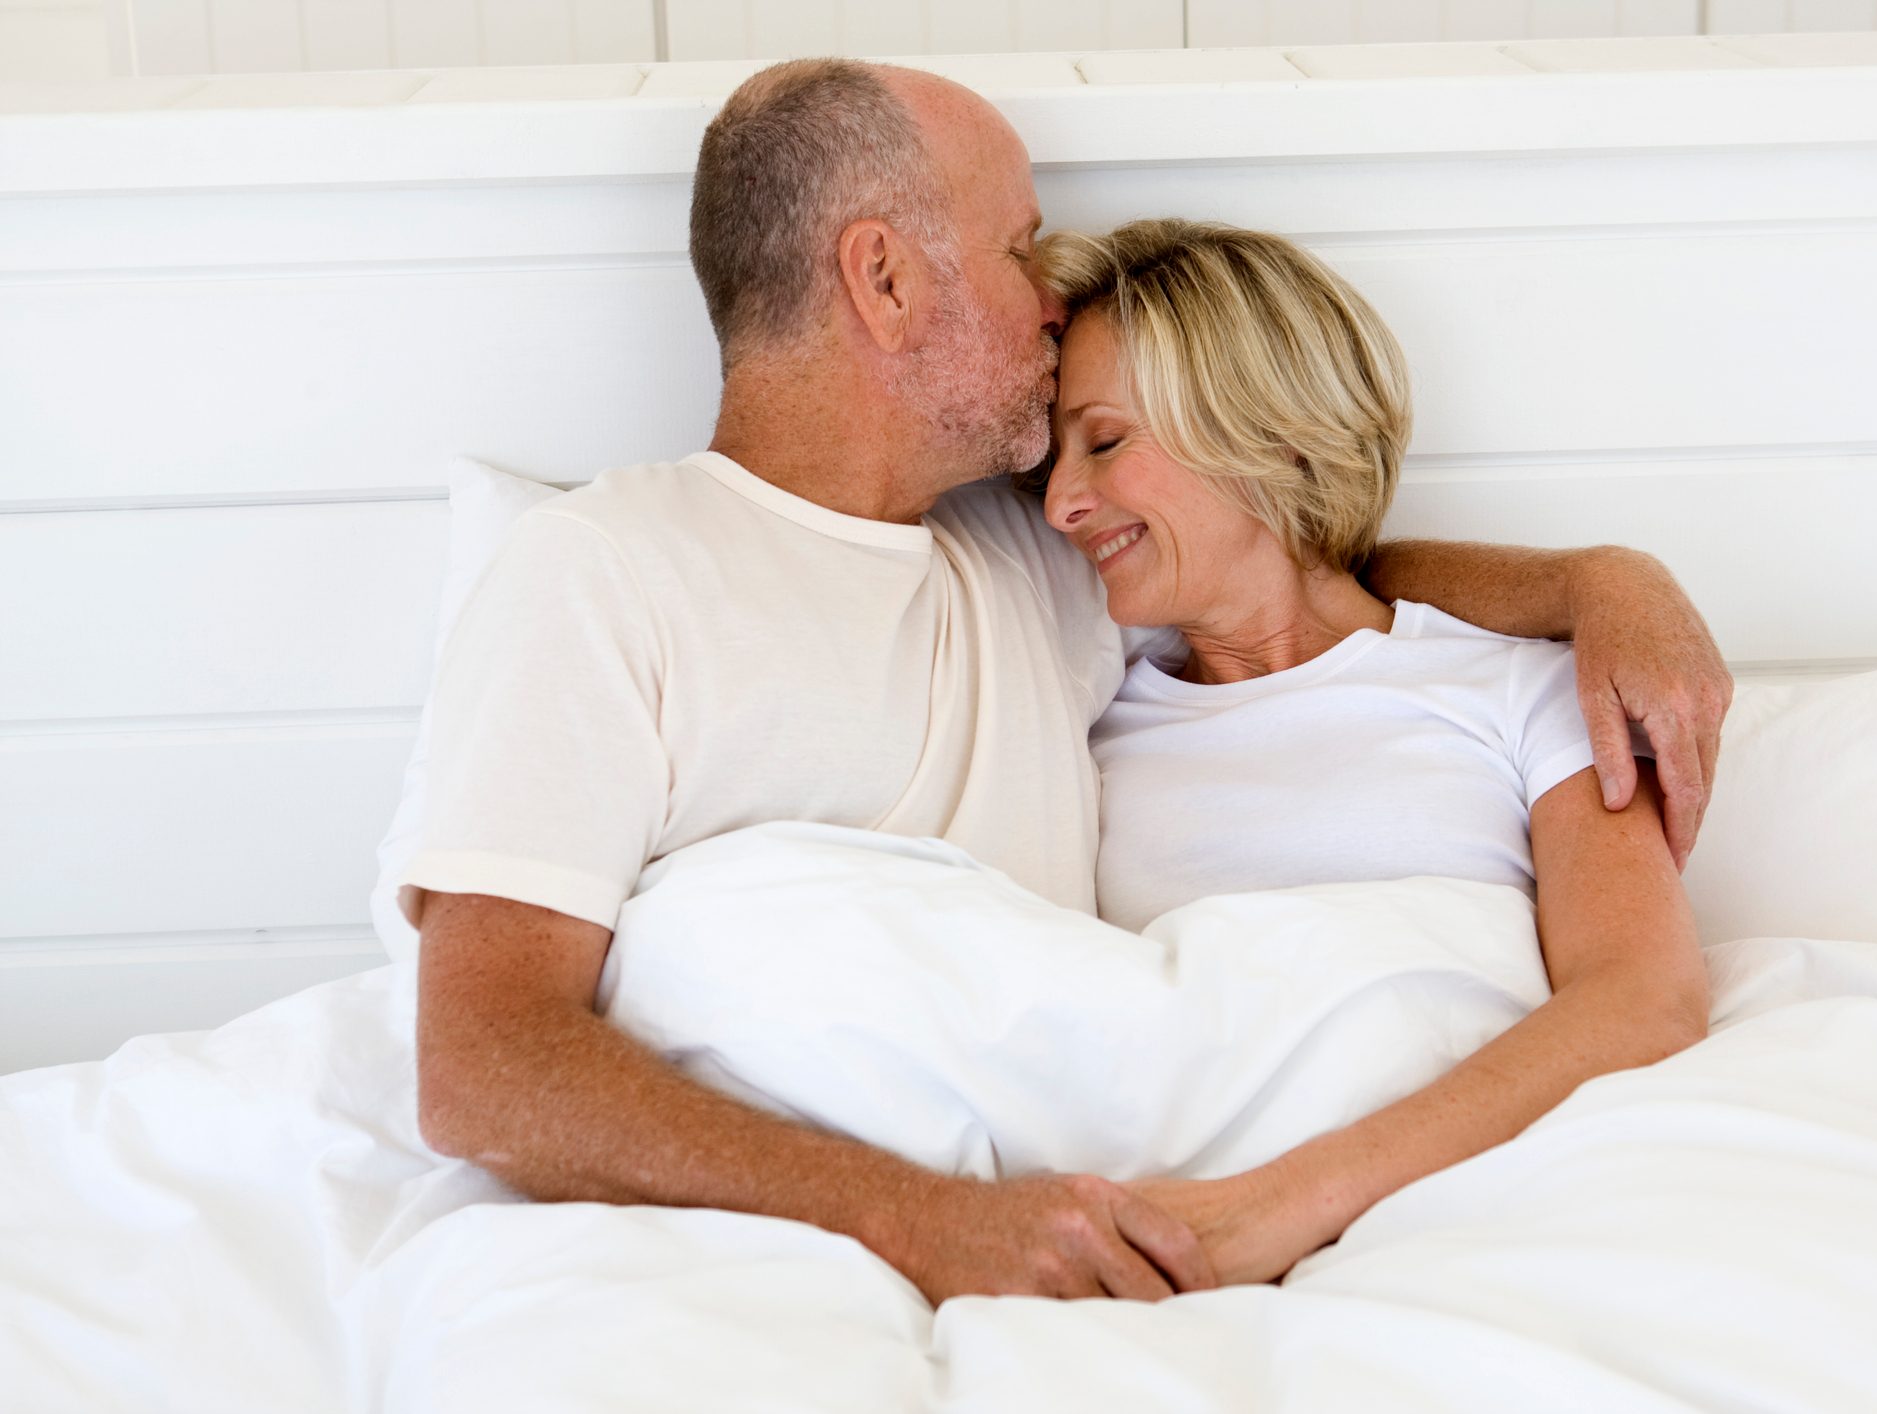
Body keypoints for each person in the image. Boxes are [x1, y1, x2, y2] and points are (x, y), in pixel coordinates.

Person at [404, 57, 1732, 1308]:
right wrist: (920, 1219)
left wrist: (1593, 582)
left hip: (1091, 1202)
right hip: (829, 1246)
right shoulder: (602, 569)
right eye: (1016, 243)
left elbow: (1290, 559)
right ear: (883, 279)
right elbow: (481, 1065)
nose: (1049, 292)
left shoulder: (1031, 559)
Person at [1035, 218, 1712, 1286]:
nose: (1060, 500)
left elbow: (1645, 998)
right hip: (1181, 1204)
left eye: (1105, 441)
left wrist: (1284, 1203)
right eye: (1056, 454)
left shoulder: (1517, 684)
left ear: (1268, 432)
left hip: (1457, 1217)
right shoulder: (1079, 711)